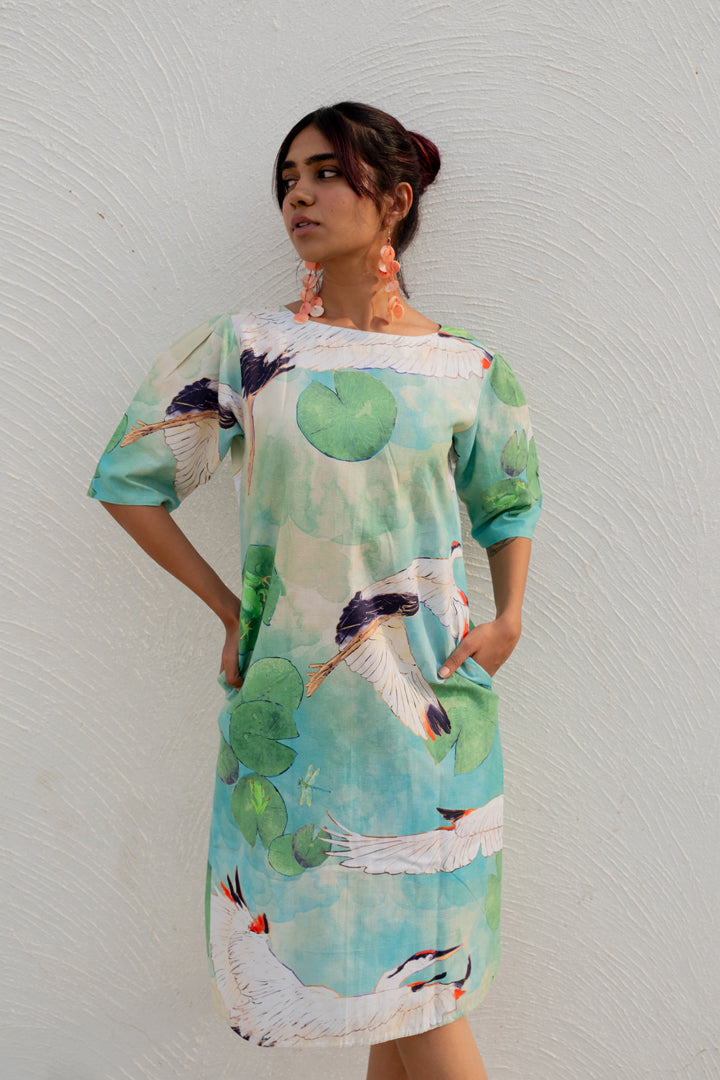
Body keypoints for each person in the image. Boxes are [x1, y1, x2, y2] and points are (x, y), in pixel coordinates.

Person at [89, 101, 542, 1080]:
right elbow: (129, 480)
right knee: (391, 996)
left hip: (428, 718)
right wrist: (228, 610)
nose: (299, 194)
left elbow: (507, 503)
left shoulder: (465, 368)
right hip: (301, 718)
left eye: (327, 172)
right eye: (289, 177)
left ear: (396, 200)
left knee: (417, 991)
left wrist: (509, 618)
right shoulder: (250, 352)